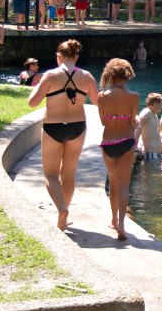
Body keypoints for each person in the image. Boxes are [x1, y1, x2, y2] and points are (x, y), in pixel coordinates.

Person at [27, 39, 99, 231]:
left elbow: (32, 103)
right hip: (77, 127)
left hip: (53, 127)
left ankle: (62, 210)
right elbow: (99, 102)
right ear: (76, 56)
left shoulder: (50, 75)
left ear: (58, 57)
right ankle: (64, 216)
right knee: (68, 173)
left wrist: (38, 85)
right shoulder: (87, 76)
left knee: (50, 174)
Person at [97, 58, 139, 240]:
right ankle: (122, 223)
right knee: (124, 185)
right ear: (127, 75)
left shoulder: (102, 96)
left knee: (113, 184)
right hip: (126, 142)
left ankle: (113, 220)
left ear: (110, 74)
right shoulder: (134, 96)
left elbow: (103, 121)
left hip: (108, 143)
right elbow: (132, 121)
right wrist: (133, 122)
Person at [135, 92, 162, 159]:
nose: (161, 106)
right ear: (156, 104)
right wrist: (135, 145)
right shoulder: (147, 113)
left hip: (156, 154)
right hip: (150, 154)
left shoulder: (154, 114)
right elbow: (138, 128)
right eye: (161, 104)